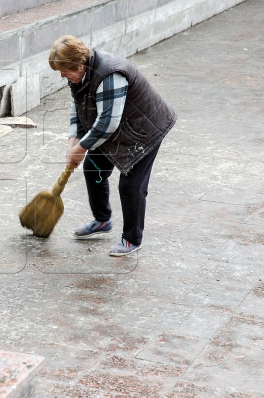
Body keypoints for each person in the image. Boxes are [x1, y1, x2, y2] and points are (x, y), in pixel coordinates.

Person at [48, 35, 176, 256]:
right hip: (118, 130)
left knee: (131, 187)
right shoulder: (78, 77)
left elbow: (108, 123)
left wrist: (82, 148)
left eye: (64, 71)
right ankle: (102, 220)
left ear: (79, 64)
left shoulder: (109, 75)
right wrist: (73, 144)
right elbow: (78, 111)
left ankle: (132, 239)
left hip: (144, 131)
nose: (62, 76)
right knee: (93, 169)